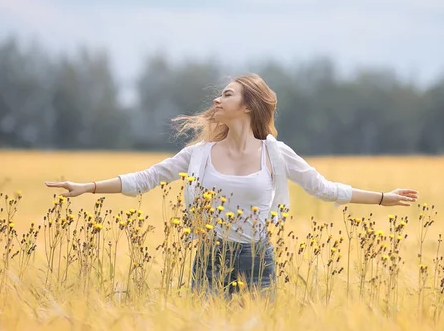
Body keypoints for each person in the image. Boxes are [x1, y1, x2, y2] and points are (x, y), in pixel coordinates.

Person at [45, 73, 419, 299]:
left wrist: (383, 199)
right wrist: (88, 187)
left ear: (248, 105)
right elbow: (146, 178)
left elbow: (323, 188)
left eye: (226, 94)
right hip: (208, 262)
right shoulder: (200, 154)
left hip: (258, 261)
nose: (216, 98)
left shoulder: (275, 152)